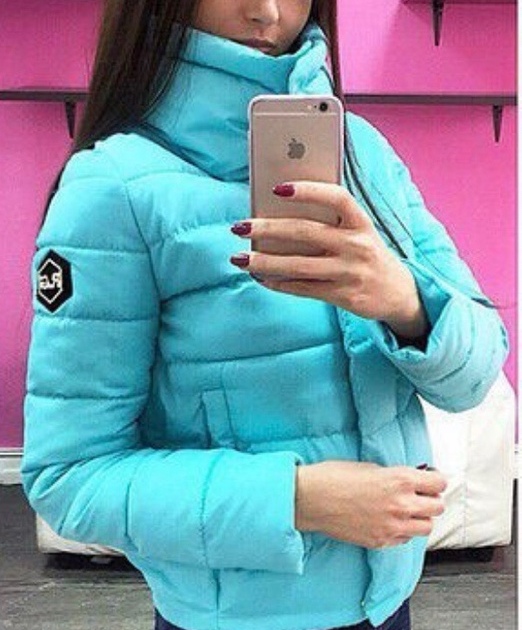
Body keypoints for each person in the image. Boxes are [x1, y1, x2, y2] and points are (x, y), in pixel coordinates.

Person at [21, 1, 508, 630]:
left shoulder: (364, 154)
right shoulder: (111, 189)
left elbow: (475, 375)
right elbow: (70, 478)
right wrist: (299, 499)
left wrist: (405, 303)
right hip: (232, 618)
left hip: (388, 600)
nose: (267, 11)